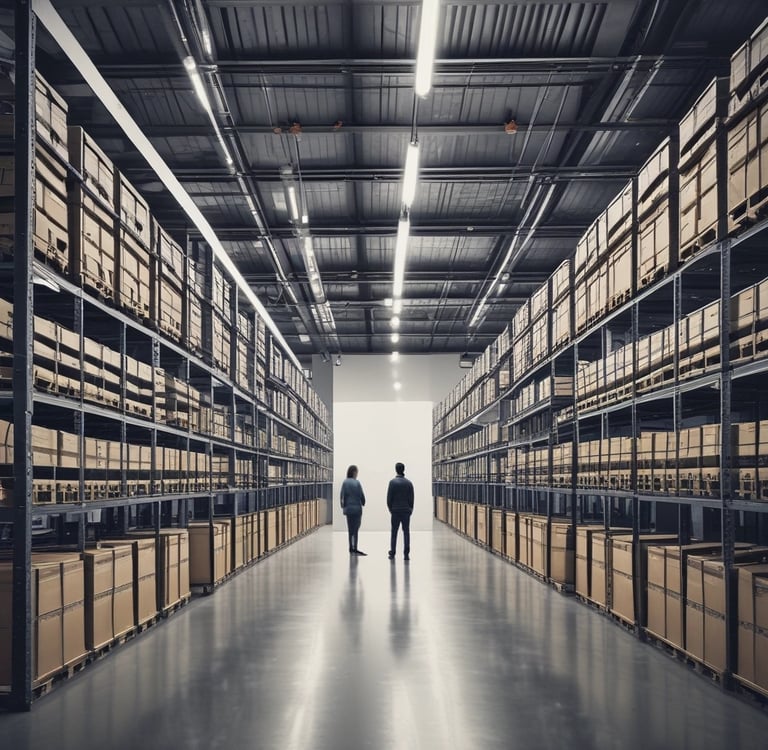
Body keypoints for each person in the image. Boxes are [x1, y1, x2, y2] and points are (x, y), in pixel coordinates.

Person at [387, 462, 414, 561]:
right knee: (406, 532)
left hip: (395, 510)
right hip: (406, 510)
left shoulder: (392, 483)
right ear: (404, 469)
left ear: (396, 469)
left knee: (394, 532)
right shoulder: (409, 483)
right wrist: (410, 509)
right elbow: (411, 499)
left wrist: (391, 509)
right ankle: (406, 554)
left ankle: (393, 552)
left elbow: (389, 499)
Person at [340, 465, 367, 556]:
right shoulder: (357, 483)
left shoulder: (345, 482)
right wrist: (363, 502)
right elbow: (362, 496)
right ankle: (355, 547)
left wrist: (343, 506)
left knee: (350, 529)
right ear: (354, 472)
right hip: (357, 510)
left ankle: (351, 548)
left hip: (349, 510)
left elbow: (342, 496)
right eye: (357, 472)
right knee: (356, 529)